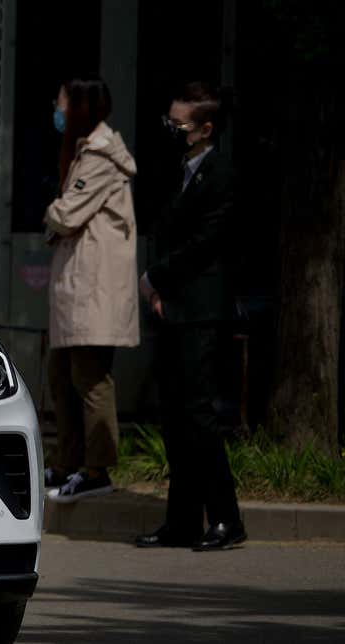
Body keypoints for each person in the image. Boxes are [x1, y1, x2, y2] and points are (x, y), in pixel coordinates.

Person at [135, 82, 245, 552]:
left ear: (205, 129)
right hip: (173, 305)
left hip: (201, 309)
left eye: (179, 125)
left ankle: (226, 518)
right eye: (169, 122)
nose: (171, 131)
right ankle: (181, 520)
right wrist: (159, 288)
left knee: (200, 416)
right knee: (175, 417)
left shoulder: (222, 172)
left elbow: (207, 241)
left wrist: (156, 276)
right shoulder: (179, 168)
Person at [42, 77, 138, 503]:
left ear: (80, 107)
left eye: (61, 100)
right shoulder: (85, 151)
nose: (56, 107)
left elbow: (65, 214)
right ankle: (67, 463)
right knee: (61, 376)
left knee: (90, 377)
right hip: (79, 287)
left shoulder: (100, 156)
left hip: (95, 290)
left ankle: (97, 469)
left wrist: (50, 211)